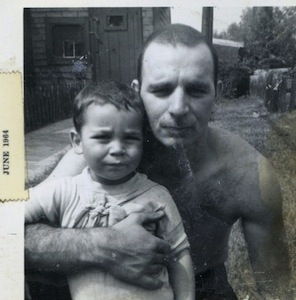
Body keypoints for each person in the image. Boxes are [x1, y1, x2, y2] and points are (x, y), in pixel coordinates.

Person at [25, 24, 291, 299]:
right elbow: (10, 236)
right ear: (138, 92)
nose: (178, 108)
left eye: (196, 91)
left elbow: (275, 289)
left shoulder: (248, 174)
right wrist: (102, 245)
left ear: (218, 94)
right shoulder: (104, 157)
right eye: (162, 90)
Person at [25, 81, 195, 300]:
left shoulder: (157, 196)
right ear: (77, 141)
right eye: (103, 137)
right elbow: (9, 216)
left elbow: (180, 256)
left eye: (130, 138)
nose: (117, 149)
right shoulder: (63, 191)